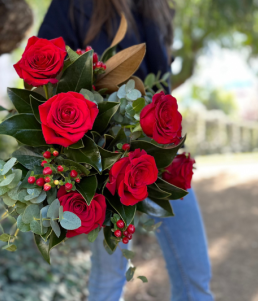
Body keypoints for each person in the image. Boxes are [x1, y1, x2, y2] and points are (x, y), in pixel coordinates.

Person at [38, 1, 214, 300]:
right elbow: (43, 80)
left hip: (159, 156)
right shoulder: (72, 5)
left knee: (196, 277)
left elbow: (161, 86)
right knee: (109, 278)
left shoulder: (158, 7)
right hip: (104, 165)